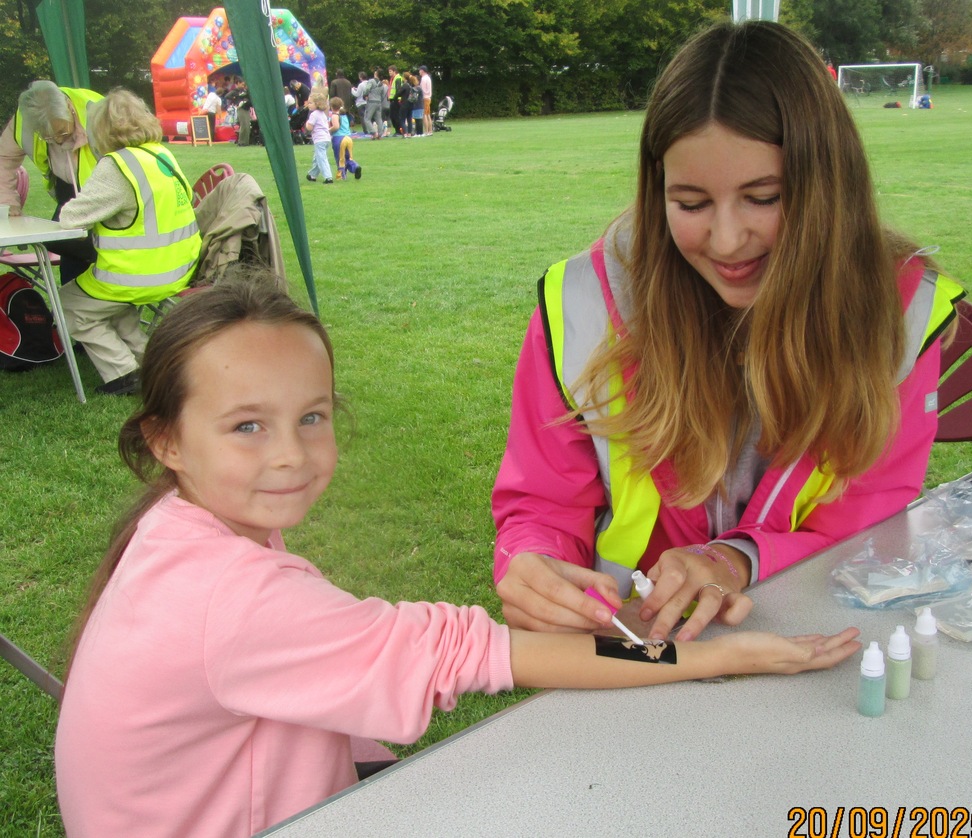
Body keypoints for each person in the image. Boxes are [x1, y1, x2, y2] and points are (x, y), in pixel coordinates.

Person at [53, 269, 861, 837]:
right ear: (165, 440)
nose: (291, 454)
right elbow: (478, 654)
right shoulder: (232, 597)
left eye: (312, 416)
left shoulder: (178, 528)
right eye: (247, 426)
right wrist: (718, 656)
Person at [491, 20, 964, 642]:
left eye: (763, 197)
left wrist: (735, 560)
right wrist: (531, 557)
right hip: (632, 648)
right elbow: (543, 499)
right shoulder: (582, 303)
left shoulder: (897, 316)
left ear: (827, 187)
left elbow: (869, 524)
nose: (727, 239)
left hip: (804, 635)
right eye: (690, 204)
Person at [56, 88, 200, 396]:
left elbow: (71, 218)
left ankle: (122, 372)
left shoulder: (117, 166)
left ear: (101, 130)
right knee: (114, 307)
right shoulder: (161, 154)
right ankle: (152, 364)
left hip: (137, 276)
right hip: (180, 268)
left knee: (67, 303)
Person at [0, 80, 104, 282]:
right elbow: (4, 158)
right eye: (47, 137)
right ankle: (71, 296)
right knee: (66, 250)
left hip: (105, 189)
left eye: (62, 132)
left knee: (103, 256)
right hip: (68, 191)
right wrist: (7, 201)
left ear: (69, 108)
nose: (58, 141)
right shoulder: (25, 118)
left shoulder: (98, 112)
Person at [304, 90, 334, 184]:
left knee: (321, 158)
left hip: (319, 139)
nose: (308, 105)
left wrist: (307, 123)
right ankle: (312, 175)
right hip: (326, 138)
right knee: (317, 158)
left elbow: (310, 127)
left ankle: (328, 177)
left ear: (317, 104)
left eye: (310, 103)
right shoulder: (323, 114)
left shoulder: (314, 114)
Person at [329, 97, 362, 181]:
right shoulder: (344, 115)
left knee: (340, 158)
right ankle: (355, 167)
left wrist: (328, 130)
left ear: (332, 107)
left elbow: (336, 127)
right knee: (348, 157)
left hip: (339, 138)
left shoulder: (335, 115)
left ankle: (341, 175)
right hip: (348, 137)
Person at [362, 69, 387, 140]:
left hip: (371, 101)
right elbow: (383, 94)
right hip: (379, 102)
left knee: (367, 118)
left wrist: (365, 95)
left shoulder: (371, 81)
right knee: (379, 119)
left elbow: (367, 89)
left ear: (376, 74)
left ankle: (373, 133)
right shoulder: (382, 84)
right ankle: (380, 134)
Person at [419, 65, 433, 136]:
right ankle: (430, 131)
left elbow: (422, 90)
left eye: (420, 70)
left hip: (425, 98)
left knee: (424, 115)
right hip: (428, 98)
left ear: (422, 71)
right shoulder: (428, 78)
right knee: (428, 115)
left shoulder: (424, 79)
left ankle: (426, 131)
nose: (419, 72)